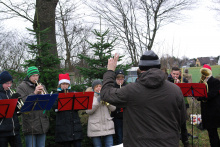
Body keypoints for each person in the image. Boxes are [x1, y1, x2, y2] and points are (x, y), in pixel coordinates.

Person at [101, 51, 187, 147]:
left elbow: (105, 94)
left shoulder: (131, 91)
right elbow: (182, 119)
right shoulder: (175, 90)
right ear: (158, 67)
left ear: (140, 69)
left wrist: (110, 71)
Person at [16, 66, 49, 147]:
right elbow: (22, 103)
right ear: (29, 76)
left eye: (37, 75)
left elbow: (48, 102)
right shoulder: (21, 87)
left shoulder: (42, 86)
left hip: (42, 124)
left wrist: (44, 96)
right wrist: (34, 93)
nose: (35, 78)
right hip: (30, 124)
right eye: (33, 75)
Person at [53, 73, 83, 147]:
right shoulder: (56, 95)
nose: (65, 86)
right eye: (63, 84)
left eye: (66, 84)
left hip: (75, 126)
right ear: (60, 85)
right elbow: (54, 107)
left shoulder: (74, 94)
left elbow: (79, 106)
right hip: (63, 128)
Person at [86, 80, 116, 147]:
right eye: (97, 86)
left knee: (110, 145)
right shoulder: (90, 97)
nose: (99, 88)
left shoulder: (106, 96)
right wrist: (97, 101)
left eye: (100, 86)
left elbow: (113, 108)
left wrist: (107, 102)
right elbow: (88, 111)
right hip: (95, 127)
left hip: (107, 126)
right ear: (93, 88)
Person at [196, 64, 220, 147]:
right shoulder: (202, 82)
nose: (204, 74)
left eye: (206, 71)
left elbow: (212, 94)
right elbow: (198, 93)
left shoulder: (215, 81)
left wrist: (202, 96)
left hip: (213, 110)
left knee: (213, 131)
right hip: (205, 110)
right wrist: (197, 96)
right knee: (210, 131)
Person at [167, 67, 190, 147]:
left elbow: (188, 90)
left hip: (182, 103)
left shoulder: (184, 80)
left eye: (177, 74)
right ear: (171, 73)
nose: (175, 76)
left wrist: (180, 84)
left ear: (179, 74)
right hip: (172, 104)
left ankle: (185, 140)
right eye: (174, 74)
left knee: (183, 122)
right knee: (173, 123)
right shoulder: (167, 81)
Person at [0, 71, 22, 147]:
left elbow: (17, 112)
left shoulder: (11, 93)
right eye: (7, 83)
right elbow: (3, 111)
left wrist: (17, 104)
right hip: (2, 131)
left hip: (14, 130)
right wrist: (11, 102)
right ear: (1, 83)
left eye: (10, 83)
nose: (9, 85)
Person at [111, 69, 126, 145]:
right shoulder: (113, 88)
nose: (120, 81)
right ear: (115, 79)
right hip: (117, 116)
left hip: (126, 116)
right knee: (119, 136)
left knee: (126, 135)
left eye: (122, 79)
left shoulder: (127, 87)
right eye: (118, 79)